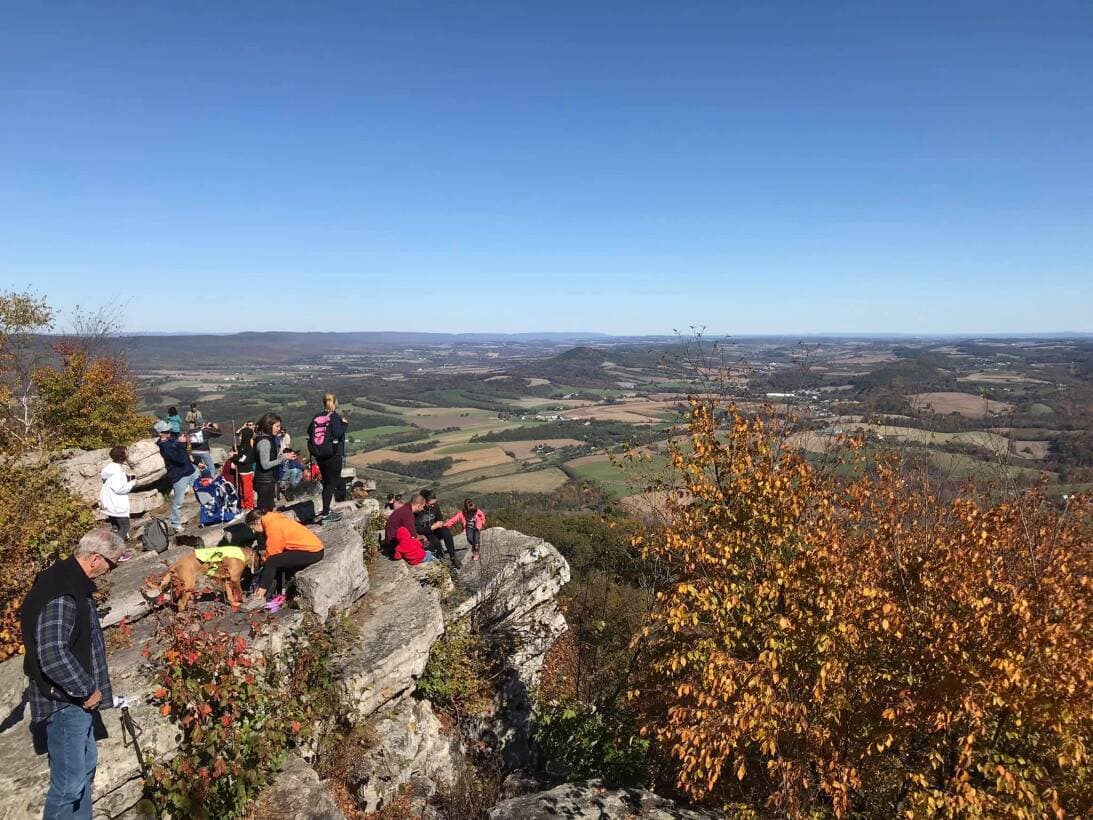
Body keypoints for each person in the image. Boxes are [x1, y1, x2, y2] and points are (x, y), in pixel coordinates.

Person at [21, 528, 125, 820]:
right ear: (95, 558)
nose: (111, 570)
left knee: (85, 769)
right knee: (68, 786)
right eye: (112, 563)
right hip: (65, 703)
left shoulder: (67, 580)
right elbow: (52, 654)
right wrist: (86, 689)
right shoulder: (63, 592)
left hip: (73, 701)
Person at [241, 509, 325, 611]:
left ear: (257, 522)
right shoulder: (274, 519)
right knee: (277, 562)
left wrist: (263, 560)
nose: (254, 531)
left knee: (272, 562)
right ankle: (275, 592)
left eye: (253, 528)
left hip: (312, 552)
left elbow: (273, 553)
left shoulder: (273, 526)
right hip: (313, 549)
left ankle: (259, 596)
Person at [307, 393, 347, 524]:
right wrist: (344, 425)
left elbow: (309, 431)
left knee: (327, 482)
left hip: (320, 454)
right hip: (333, 454)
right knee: (331, 483)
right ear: (334, 403)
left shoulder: (317, 416)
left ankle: (326, 510)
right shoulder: (334, 417)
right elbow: (338, 433)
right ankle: (326, 514)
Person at [156, 420, 199, 534]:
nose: (169, 433)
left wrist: (183, 443)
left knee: (203, 491)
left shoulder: (170, 439)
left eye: (169, 430)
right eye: (166, 431)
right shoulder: (163, 447)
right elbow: (179, 459)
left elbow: (183, 452)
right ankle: (176, 524)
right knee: (178, 501)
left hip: (190, 470)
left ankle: (211, 513)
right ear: (160, 433)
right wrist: (181, 444)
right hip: (179, 476)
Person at [99, 446, 136, 542]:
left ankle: (110, 545)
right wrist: (132, 483)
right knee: (125, 526)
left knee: (116, 527)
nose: (128, 454)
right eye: (126, 452)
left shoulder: (110, 467)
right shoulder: (117, 471)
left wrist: (126, 479)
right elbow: (119, 489)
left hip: (109, 504)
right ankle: (114, 548)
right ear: (122, 456)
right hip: (116, 505)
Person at [416, 489, 459, 568]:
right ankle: (442, 561)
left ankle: (453, 557)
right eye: (430, 504)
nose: (433, 506)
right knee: (436, 541)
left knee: (446, 532)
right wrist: (432, 527)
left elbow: (439, 517)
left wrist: (442, 523)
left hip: (435, 529)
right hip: (426, 533)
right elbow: (418, 529)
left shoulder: (435, 506)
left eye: (434, 503)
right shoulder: (418, 510)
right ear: (424, 502)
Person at [253, 413, 285, 513]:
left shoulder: (267, 440)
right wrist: (283, 458)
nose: (279, 429)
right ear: (269, 425)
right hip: (264, 482)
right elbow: (265, 465)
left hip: (267, 480)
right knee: (267, 511)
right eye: (277, 426)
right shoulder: (265, 442)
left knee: (270, 509)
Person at [232, 427, 256, 511]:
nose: (240, 436)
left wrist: (235, 457)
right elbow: (240, 457)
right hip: (241, 471)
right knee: (241, 490)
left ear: (246, 436)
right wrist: (236, 454)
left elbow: (243, 460)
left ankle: (249, 506)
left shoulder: (248, 448)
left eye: (241, 435)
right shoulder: (242, 446)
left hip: (247, 472)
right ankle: (243, 506)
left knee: (247, 490)